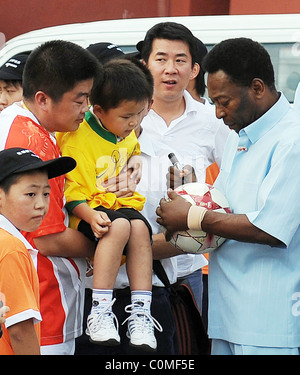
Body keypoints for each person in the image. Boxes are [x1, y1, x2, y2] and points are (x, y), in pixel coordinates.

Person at [157, 37, 300, 355]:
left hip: (271, 326)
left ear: (258, 88)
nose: (218, 114)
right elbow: (226, 209)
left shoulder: (292, 141)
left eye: (225, 102)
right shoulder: (240, 137)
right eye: (214, 103)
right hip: (227, 316)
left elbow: (270, 229)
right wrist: (194, 193)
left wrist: (192, 216)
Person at [0, 40, 100, 355]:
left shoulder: (24, 125)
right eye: (80, 99)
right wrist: (107, 249)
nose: (86, 108)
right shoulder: (30, 141)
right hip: (40, 303)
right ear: (43, 98)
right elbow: (44, 236)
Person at [58, 58, 162, 352]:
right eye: (127, 116)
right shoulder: (78, 140)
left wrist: (134, 160)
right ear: (99, 110)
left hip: (117, 205)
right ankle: (100, 310)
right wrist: (89, 215)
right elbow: (71, 189)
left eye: (140, 114)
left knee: (141, 229)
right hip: (88, 210)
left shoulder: (125, 134)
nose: (134, 123)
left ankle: (141, 311)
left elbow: (133, 147)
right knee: (118, 228)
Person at [139, 22, 230, 312]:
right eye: (161, 59)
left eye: (180, 60)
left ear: (193, 70)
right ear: (145, 65)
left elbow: (233, 177)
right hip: (124, 264)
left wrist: (193, 192)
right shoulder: (125, 117)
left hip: (186, 267)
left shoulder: (212, 120)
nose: (170, 69)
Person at [0, 147, 76, 355]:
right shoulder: (10, 247)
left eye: (46, 194)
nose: (41, 205)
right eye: (30, 194)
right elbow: (20, 330)